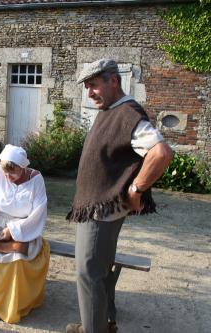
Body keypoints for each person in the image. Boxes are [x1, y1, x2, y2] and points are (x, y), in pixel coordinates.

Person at [65, 59, 173, 333]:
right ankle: (101, 324)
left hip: (102, 211)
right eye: (87, 87)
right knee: (98, 272)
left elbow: (161, 153)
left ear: (114, 81)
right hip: (94, 207)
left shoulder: (127, 113)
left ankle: (94, 329)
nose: (89, 92)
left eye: (94, 85)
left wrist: (137, 188)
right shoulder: (111, 110)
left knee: (89, 275)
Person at [0, 144, 50, 323]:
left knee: (16, 259)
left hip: (25, 230)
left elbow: (39, 212)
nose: (8, 177)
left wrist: (14, 230)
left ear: (23, 167)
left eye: (13, 173)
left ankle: (9, 307)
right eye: (6, 173)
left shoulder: (36, 179)